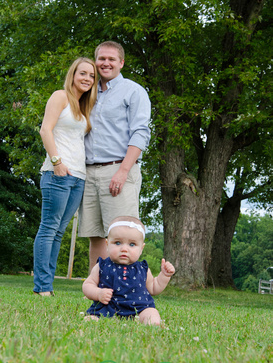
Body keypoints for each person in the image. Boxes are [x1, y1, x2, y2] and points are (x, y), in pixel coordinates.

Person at [78, 41, 151, 271]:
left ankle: (126, 292)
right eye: (101, 58)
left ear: (121, 62)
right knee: (96, 235)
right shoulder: (86, 92)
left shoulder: (133, 91)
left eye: (111, 59)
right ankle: (97, 291)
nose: (106, 63)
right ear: (95, 61)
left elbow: (140, 133)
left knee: (123, 234)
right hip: (89, 171)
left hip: (119, 169)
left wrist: (122, 171)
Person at [33, 57, 98, 296]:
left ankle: (46, 286)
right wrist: (57, 162)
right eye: (83, 73)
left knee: (58, 232)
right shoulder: (60, 96)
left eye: (91, 76)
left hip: (78, 177)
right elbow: (45, 129)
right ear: (73, 74)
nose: (87, 79)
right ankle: (42, 287)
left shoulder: (82, 107)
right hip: (57, 174)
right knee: (49, 228)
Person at [82, 216, 175, 325]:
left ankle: (152, 324)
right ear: (107, 245)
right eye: (117, 243)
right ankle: (96, 320)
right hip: (108, 307)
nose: (124, 249)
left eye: (132, 244)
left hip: (139, 308)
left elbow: (154, 288)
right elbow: (88, 285)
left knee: (151, 313)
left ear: (141, 249)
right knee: (91, 320)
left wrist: (164, 275)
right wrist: (98, 293)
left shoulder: (142, 269)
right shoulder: (102, 266)